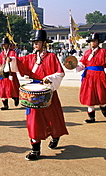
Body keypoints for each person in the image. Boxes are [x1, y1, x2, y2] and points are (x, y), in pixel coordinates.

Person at [7, 29, 68, 160]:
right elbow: (18, 62)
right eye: (34, 42)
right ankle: (35, 149)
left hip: (48, 90)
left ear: (44, 43)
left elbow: (60, 73)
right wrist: (10, 59)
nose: (35, 44)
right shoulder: (30, 57)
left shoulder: (52, 57)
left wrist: (50, 78)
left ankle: (55, 135)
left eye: (37, 42)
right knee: (33, 120)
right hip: (34, 94)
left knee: (53, 118)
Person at [75, 33, 106, 123]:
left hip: (99, 75)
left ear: (98, 42)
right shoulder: (87, 53)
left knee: (101, 93)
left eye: (95, 41)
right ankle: (91, 117)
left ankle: (103, 106)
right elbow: (82, 63)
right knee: (89, 95)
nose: (93, 43)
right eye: (91, 41)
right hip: (88, 76)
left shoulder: (103, 52)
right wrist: (75, 65)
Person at [0, 37, 20, 110]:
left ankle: (16, 98)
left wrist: (11, 59)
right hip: (3, 74)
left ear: (8, 44)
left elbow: (16, 60)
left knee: (13, 87)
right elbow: (0, 63)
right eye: (3, 44)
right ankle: (5, 104)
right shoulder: (2, 53)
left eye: (5, 44)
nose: (4, 46)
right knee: (3, 89)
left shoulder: (13, 52)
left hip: (11, 73)